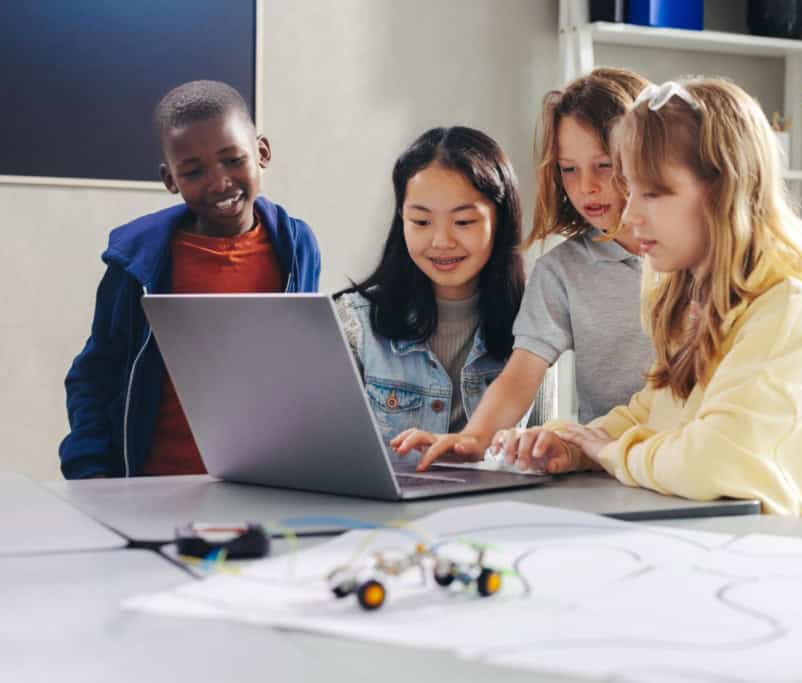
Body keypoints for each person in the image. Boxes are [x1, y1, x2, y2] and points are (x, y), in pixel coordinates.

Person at [501, 78, 802, 534]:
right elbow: (653, 410)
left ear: (723, 190)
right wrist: (577, 445)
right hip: (720, 549)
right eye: (632, 190)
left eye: (653, 193)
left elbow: (710, 460)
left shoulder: (787, 310)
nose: (632, 214)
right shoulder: (689, 302)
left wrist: (609, 453)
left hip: (788, 565)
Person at [392, 68, 654, 471]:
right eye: (569, 169)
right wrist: (472, 439)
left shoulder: (692, 256)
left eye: (604, 165)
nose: (586, 186)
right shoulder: (561, 271)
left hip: (691, 460)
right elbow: (519, 376)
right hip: (610, 469)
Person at [59, 80, 321, 479]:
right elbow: (94, 376)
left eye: (233, 160)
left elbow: (303, 367)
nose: (219, 183)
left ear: (261, 152)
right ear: (170, 179)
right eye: (194, 171)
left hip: (262, 483)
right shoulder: (136, 264)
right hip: (154, 486)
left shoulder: (296, 246)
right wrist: (90, 473)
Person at [333, 127, 525, 467]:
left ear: (501, 220)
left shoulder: (531, 323)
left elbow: (529, 459)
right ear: (401, 220)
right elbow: (330, 455)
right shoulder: (354, 323)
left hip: (488, 513)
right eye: (421, 221)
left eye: (463, 221)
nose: (441, 241)